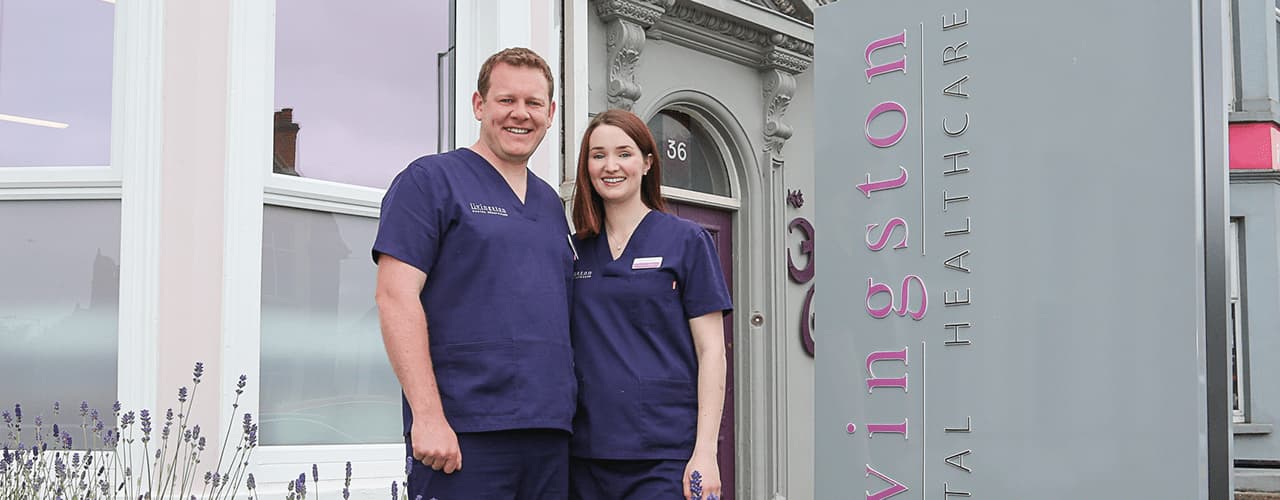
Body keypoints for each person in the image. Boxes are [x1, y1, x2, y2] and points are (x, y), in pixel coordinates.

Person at [372, 47, 575, 499]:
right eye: (506, 100)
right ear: (479, 105)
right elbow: (395, 297)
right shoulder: (430, 181)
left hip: (549, 435)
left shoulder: (549, 206)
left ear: (551, 113)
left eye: (533, 103)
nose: (520, 114)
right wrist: (427, 416)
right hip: (463, 436)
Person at [567, 109, 732, 500]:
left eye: (624, 153)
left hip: (663, 456)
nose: (610, 166)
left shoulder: (687, 241)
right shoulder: (574, 250)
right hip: (584, 455)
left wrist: (705, 452)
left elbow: (712, 351)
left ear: (647, 162)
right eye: (598, 155)